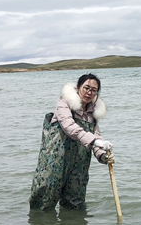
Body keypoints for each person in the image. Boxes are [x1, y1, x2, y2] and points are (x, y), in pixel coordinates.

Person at [29, 73, 115, 210]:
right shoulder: (64, 104)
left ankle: (72, 224)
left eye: (93, 90)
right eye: (86, 88)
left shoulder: (93, 114)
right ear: (78, 87)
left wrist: (102, 155)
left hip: (79, 165)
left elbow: (96, 136)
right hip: (55, 161)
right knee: (45, 199)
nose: (89, 92)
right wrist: (94, 142)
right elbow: (69, 127)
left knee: (75, 204)